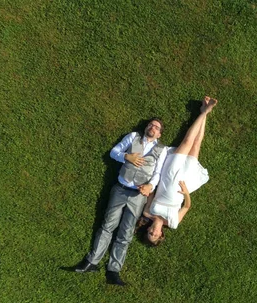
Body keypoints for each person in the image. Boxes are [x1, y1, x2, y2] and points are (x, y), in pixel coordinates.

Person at [71, 118, 168, 286]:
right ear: (146, 127)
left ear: (159, 133)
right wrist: (126, 157)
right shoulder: (133, 137)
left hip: (139, 195)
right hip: (121, 188)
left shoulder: (162, 149)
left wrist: (150, 186)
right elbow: (113, 152)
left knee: (126, 232)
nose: (152, 127)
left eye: (156, 127)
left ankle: (113, 271)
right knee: (108, 225)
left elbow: (158, 173)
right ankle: (92, 262)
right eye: (150, 124)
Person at [139, 96, 217, 246]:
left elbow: (152, 192)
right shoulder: (173, 223)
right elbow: (186, 207)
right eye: (155, 235)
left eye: (150, 233)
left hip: (169, 174)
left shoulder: (147, 212)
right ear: (161, 234)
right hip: (184, 181)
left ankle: (205, 111)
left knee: (187, 141)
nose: (153, 232)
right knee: (196, 145)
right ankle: (204, 112)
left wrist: (144, 187)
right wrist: (187, 194)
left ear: (148, 229)